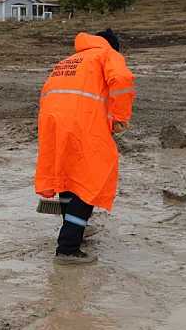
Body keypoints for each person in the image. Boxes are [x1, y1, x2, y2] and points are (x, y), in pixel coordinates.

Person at [34, 28, 135, 265]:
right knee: (93, 178)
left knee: (69, 175)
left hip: (52, 122)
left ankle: (74, 225)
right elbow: (122, 80)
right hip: (81, 121)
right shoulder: (107, 55)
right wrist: (120, 117)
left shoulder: (70, 60)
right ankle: (68, 247)